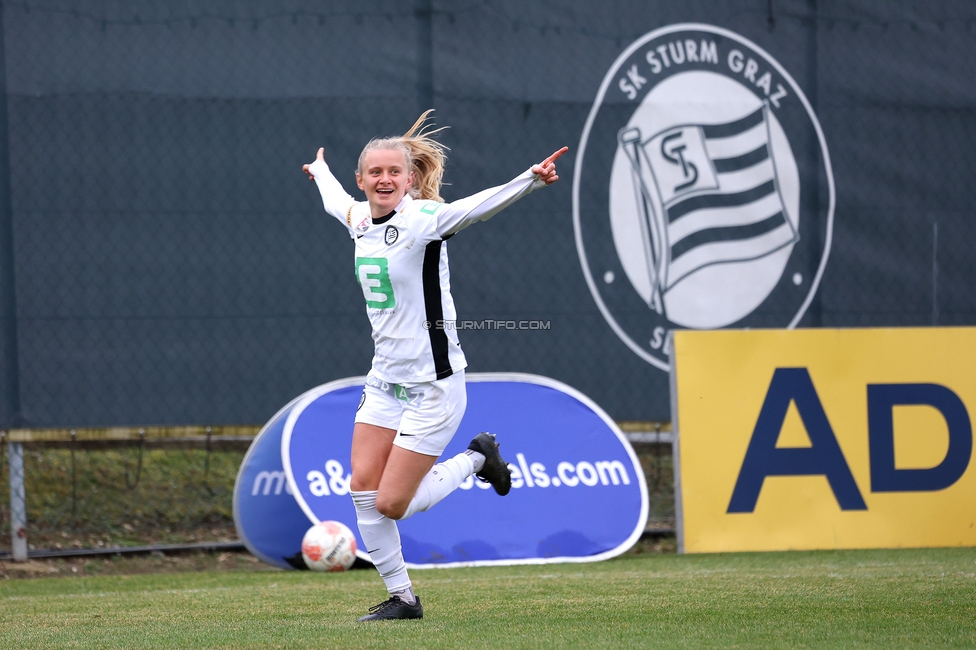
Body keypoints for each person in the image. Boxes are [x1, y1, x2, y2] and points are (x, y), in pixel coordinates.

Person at [303, 111, 567, 621]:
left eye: (393, 173)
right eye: (374, 173)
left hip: (433, 387)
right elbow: (336, 201)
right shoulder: (359, 218)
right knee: (362, 487)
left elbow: (477, 208)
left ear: (410, 180)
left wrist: (530, 180)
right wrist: (321, 174)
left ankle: (476, 457)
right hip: (384, 381)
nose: (384, 180)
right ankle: (403, 599)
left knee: (391, 505)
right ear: (363, 180)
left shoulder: (424, 221)